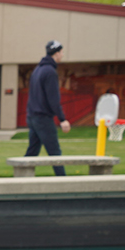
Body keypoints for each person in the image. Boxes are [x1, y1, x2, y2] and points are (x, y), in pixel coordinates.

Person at [24, 40, 71, 176]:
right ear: (56, 54)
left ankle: (22, 178)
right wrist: (62, 119)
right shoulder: (50, 72)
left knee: (32, 150)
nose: (62, 55)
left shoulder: (37, 70)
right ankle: (63, 182)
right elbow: (53, 99)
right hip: (43, 118)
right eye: (61, 52)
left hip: (32, 116)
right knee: (54, 152)